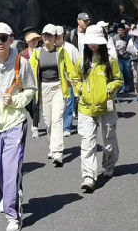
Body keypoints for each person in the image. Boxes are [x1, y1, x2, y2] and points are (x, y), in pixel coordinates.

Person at [0, 23, 37, 231]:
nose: (0, 42)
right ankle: (10, 193)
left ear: (11, 39)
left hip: (15, 123)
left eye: (4, 38)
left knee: (11, 170)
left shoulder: (22, 63)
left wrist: (17, 100)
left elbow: (30, 89)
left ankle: (13, 216)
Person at [68, 25, 123, 193]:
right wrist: (80, 91)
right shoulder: (81, 60)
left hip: (106, 106)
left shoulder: (110, 60)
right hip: (85, 107)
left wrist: (109, 88)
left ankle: (108, 164)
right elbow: (75, 78)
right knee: (87, 143)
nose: (93, 45)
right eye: (90, 42)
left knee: (108, 140)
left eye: (96, 42)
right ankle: (88, 177)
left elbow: (118, 80)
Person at [28, 24, 76, 167]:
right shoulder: (36, 53)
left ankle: (58, 151)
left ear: (55, 38)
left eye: (50, 35)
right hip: (43, 89)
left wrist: (77, 86)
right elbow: (29, 72)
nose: (47, 38)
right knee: (48, 121)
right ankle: (52, 146)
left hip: (58, 89)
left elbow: (72, 71)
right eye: (45, 35)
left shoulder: (61, 52)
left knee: (57, 119)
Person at [19, 26, 43, 138]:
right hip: (25, 83)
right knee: (28, 106)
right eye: (32, 40)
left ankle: (35, 128)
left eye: (36, 39)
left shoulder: (41, 52)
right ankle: (35, 120)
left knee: (36, 105)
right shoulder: (23, 54)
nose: (35, 42)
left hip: (38, 82)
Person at [112, 23, 134, 93]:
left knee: (127, 72)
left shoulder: (128, 37)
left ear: (124, 30)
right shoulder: (114, 38)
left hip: (127, 58)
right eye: (118, 30)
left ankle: (128, 85)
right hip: (118, 58)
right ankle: (122, 87)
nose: (119, 32)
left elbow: (131, 47)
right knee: (120, 73)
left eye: (121, 30)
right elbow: (113, 47)